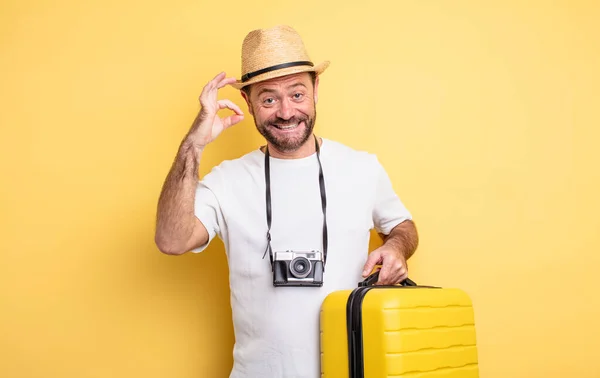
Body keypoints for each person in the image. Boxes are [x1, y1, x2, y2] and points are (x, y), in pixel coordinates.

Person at [155, 25, 419, 378]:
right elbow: (171, 240)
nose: (285, 112)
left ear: (315, 91)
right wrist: (194, 144)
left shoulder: (362, 167)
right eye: (268, 99)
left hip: (351, 369)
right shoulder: (227, 180)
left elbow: (402, 225)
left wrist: (398, 248)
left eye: (297, 94)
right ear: (248, 103)